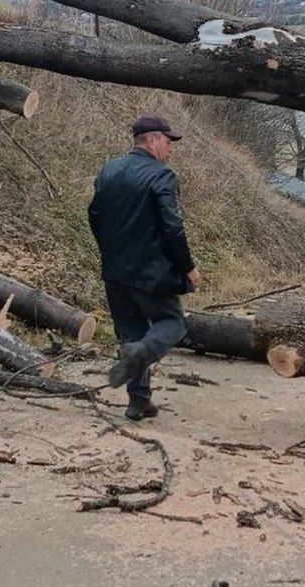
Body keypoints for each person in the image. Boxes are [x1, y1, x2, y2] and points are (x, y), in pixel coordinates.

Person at [89, 114, 199, 421]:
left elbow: (95, 216)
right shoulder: (161, 176)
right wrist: (188, 267)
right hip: (151, 272)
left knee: (131, 333)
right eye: (167, 141)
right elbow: (173, 227)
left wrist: (110, 251)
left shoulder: (109, 170)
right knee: (172, 323)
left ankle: (138, 402)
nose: (171, 148)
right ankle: (142, 355)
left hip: (115, 270)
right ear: (151, 140)